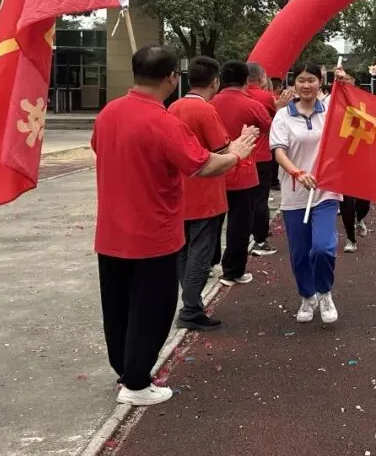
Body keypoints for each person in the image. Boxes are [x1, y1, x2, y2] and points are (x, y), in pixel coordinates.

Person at [92, 46, 256, 406]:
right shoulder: (163, 122)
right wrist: (237, 154)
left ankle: (125, 371)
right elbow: (202, 165)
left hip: (111, 233)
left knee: (117, 308)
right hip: (153, 234)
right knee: (152, 310)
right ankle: (136, 383)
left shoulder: (108, 113)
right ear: (171, 77)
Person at [270, 62, 350, 325]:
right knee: (300, 253)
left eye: (311, 80)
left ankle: (325, 292)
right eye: (301, 81)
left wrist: (345, 83)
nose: (306, 85)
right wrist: (297, 173)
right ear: (294, 84)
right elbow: (279, 152)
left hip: (325, 191)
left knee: (323, 248)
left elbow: (355, 114)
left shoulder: (330, 110)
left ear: (320, 82)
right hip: (295, 194)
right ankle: (308, 296)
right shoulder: (283, 116)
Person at [168, 56, 232, 331]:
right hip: (205, 193)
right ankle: (191, 307)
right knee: (200, 254)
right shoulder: (206, 111)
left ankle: (189, 301)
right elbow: (222, 150)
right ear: (215, 81)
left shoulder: (173, 107)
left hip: (180, 191)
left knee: (184, 251)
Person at [211, 61, 273, 287]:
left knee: (213, 222)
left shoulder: (210, 103)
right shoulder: (252, 104)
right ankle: (232, 271)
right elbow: (269, 126)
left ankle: (208, 263)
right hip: (243, 171)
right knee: (239, 223)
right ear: (247, 80)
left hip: (214, 169)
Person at [245, 62, 290, 257]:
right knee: (260, 199)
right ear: (262, 78)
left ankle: (245, 234)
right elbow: (278, 125)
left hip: (234, 156)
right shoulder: (267, 98)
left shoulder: (225, 98)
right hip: (261, 154)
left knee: (241, 201)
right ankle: (260, 239)